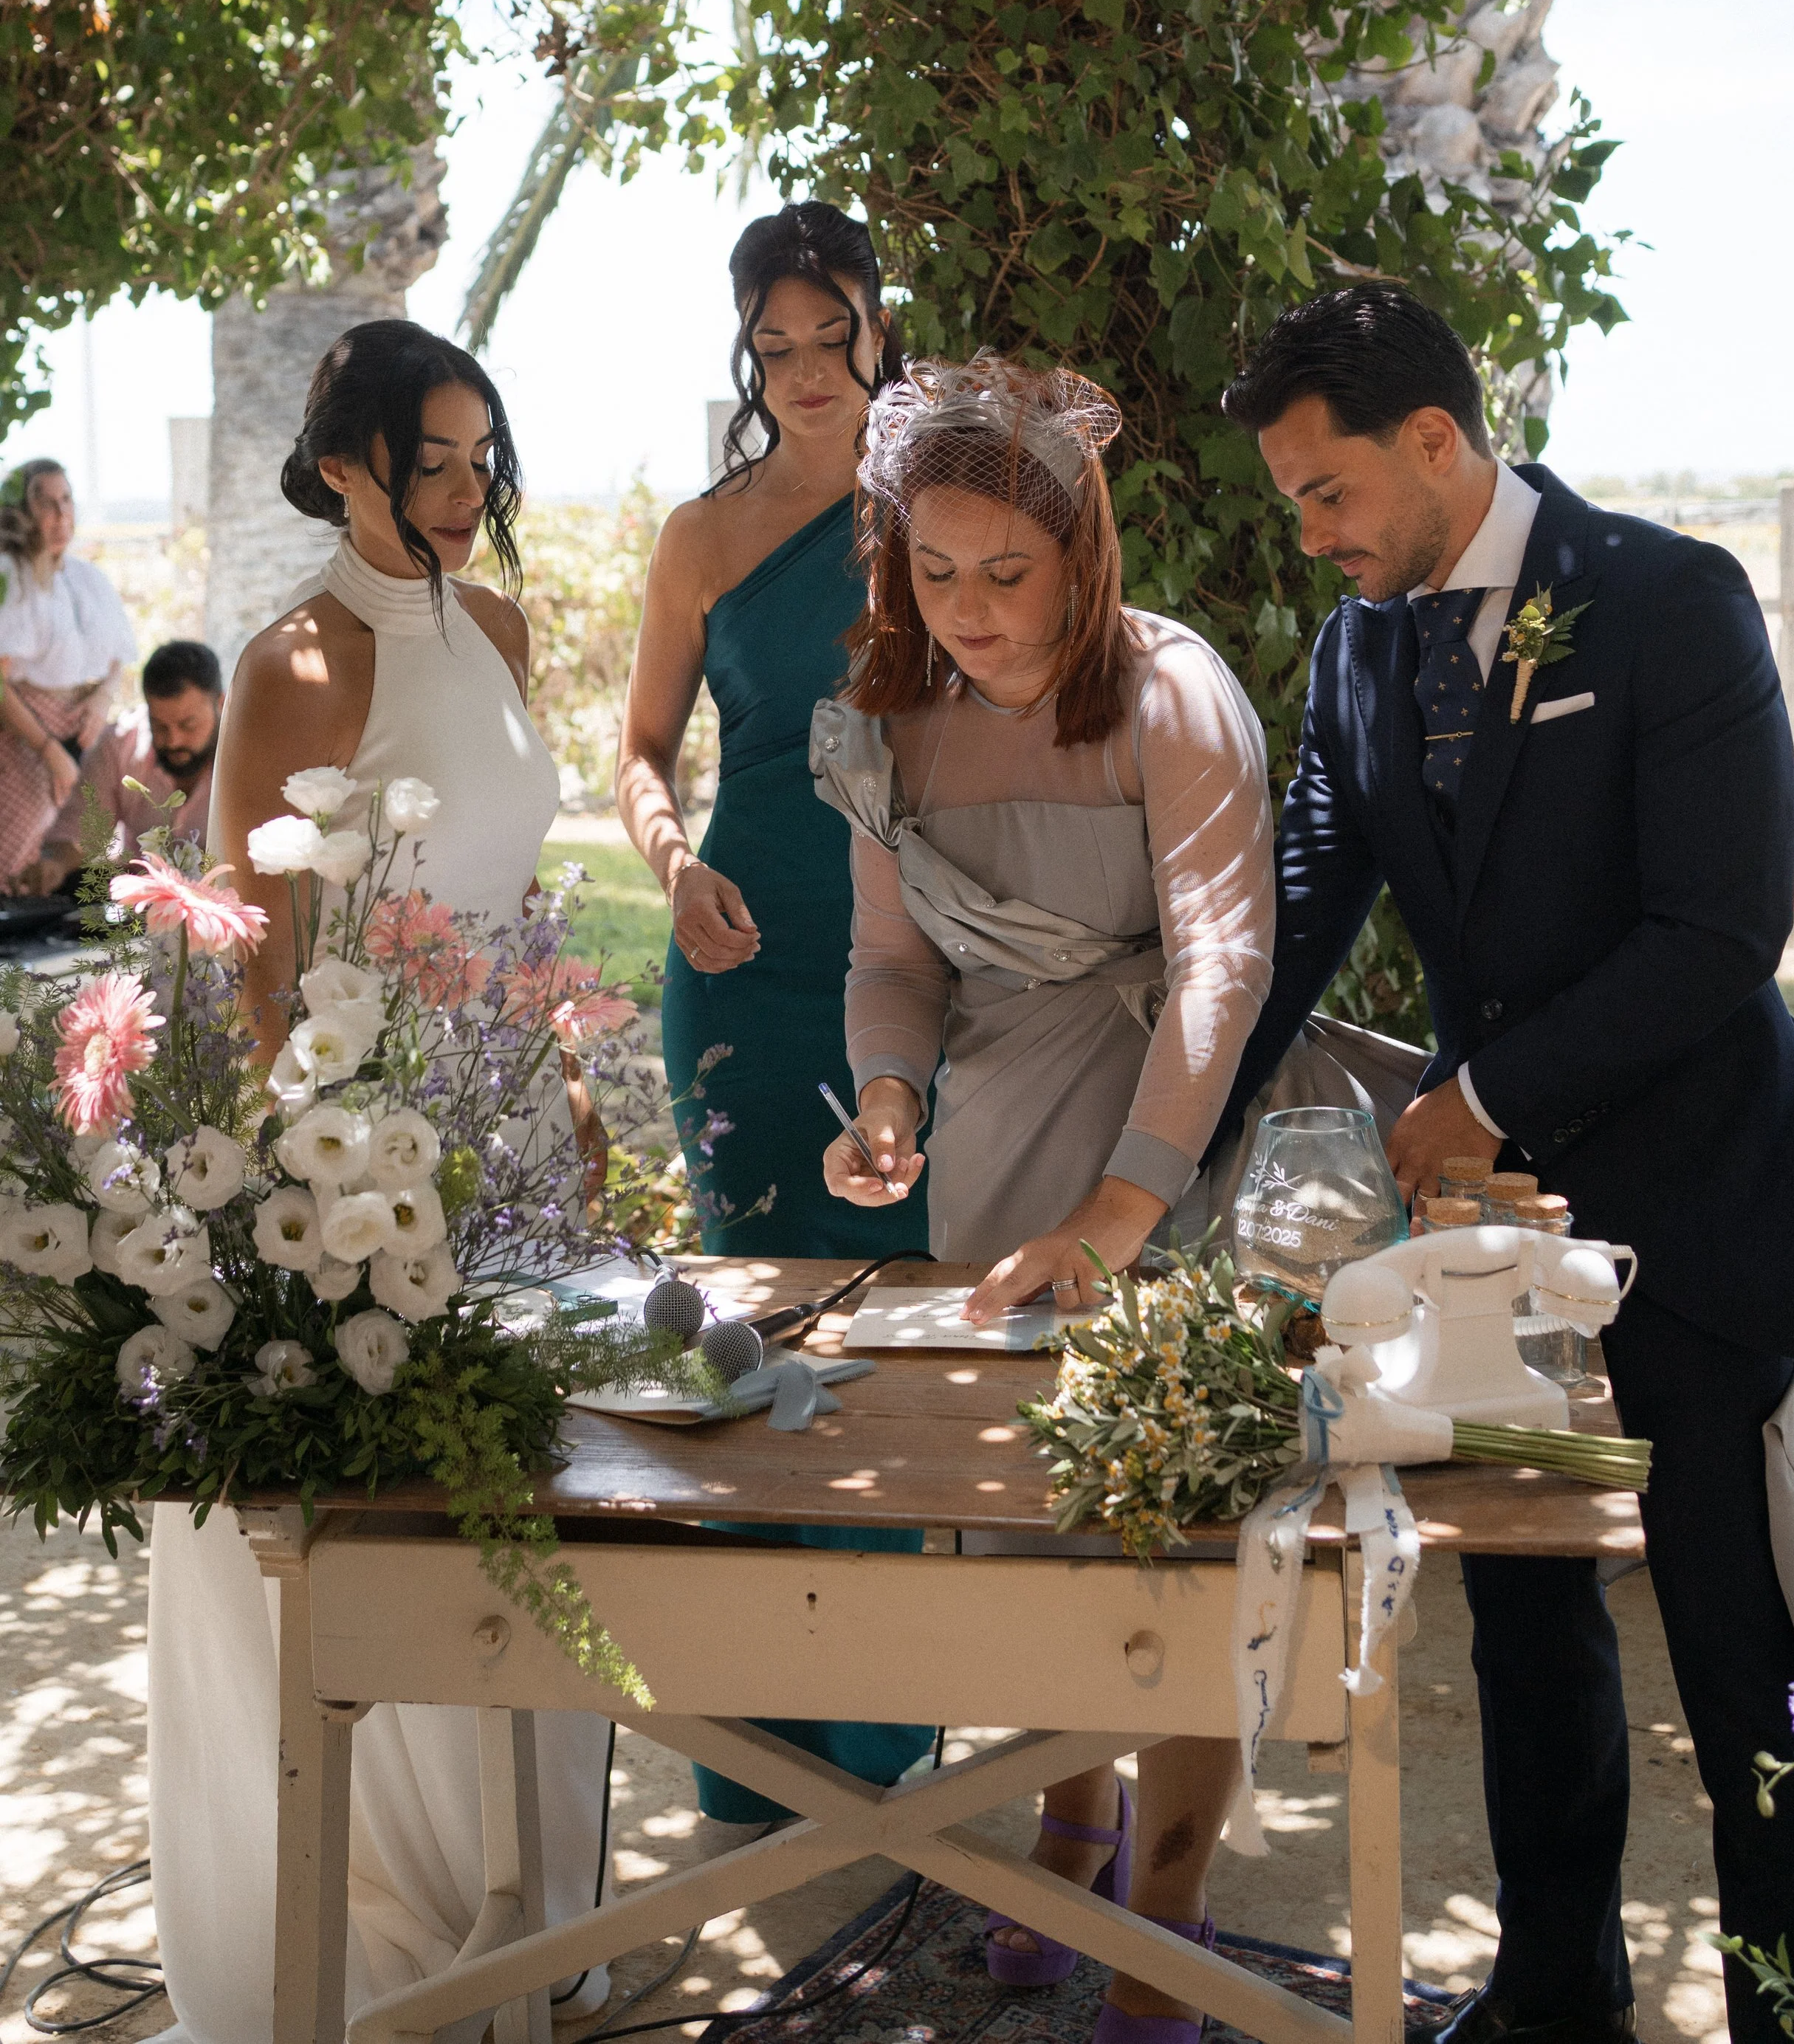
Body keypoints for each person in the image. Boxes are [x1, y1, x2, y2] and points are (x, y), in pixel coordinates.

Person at [1214, 285, 1794, 2044]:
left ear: (1434, 441)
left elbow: (1723, 924)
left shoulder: (1667, 598)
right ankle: (1554, 1991)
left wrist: (1482, 1086)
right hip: (1487, 1241)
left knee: (1741, 1649)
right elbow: (1299, 915)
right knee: (1525, 1607)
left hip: (1704, 1206)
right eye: (1290, 503)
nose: (1314, 531)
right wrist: (1172, 1140)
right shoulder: (1357, 645)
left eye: (1325, 489)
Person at [145, 320, 614, 2044]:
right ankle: (402, 1940)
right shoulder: (295, 660)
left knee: (533, 1497)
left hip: (513, 1120)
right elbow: (265, 966)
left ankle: (524, 1913)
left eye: (484, 453)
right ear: (343, 461)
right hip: (366, 1139)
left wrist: (560, 1060)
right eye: (436, 457)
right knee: (405, 1506)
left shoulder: (494, 620)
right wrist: (331, 1175)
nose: (471, 487)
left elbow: (511, 881)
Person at [815, 353, 1276, 2044]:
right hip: (998, 1138)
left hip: (1181, 1135)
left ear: (1084, 555)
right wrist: (882, 1095)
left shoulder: (1172, 694)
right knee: (1037, 1534)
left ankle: (1164, 1907)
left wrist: (1120, 1210)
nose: (970, 609)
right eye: (934, 570)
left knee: (1179, 1541)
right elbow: (887, 960)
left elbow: (1226, 963)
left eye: (1007, 572)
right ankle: (1064, 1824)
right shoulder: (887, 710)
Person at [619, 201, 931, 1830]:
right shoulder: (701, 534)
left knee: (893, 1333)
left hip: (919, 963)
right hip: (737, 952)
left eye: (834, 332)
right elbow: (638, 750)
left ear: (881, 323)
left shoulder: (949, 504)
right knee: (749, 1330)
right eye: (776, 342)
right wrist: (669, 863)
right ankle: (752, 1765)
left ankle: (886, 1750)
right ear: (747, 349)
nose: (806, 369)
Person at [0, 458, 136, 887]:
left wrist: (102, 698)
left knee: (80, 850)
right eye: (46, 503)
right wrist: (50, 752)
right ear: (23, 510)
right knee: (18, 861)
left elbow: (117, 659)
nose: (61, 516)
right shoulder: (12, 576)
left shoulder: (86, 577)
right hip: (27, 736)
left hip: (87, 733)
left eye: (67, 499)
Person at [35, 637, 221, 887]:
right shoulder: (119, 745)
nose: (174, 741)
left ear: (220, 704)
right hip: (140, 903)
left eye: (188, 725)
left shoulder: (249, 754)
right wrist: (55, 866)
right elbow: (80, 835)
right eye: (160, 726)